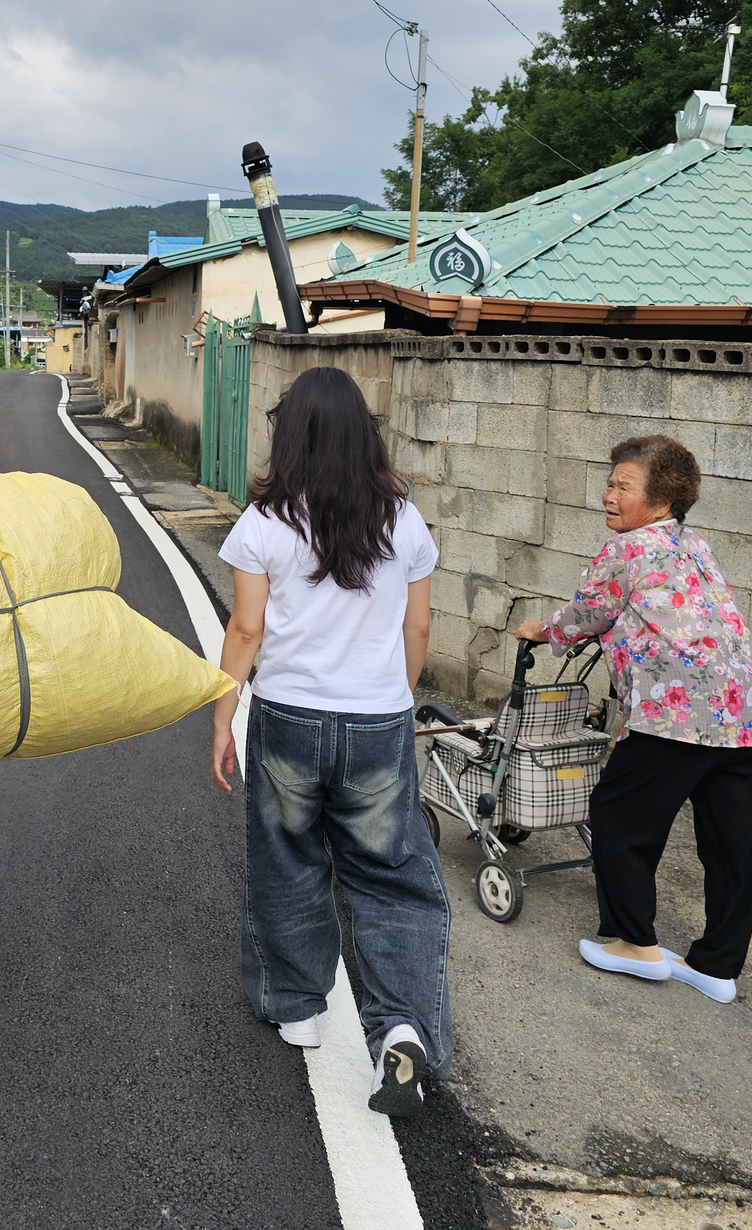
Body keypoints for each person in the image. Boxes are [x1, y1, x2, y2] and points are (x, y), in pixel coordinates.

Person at [209, 365, 450, 1117]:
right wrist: (397, 699)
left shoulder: (264, 523)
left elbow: (247, 628)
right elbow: (418, 627)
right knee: (390, 877)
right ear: (360, 432)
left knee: (288, 861)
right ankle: (403, 1029)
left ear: (291, 434)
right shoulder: (403, 520)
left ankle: (298, 1008)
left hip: (288, 716)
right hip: (377, 720)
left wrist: (222, 714)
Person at [515, 435, 752, 1004]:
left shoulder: (629, 550)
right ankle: (717, 965)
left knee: (620, 811)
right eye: (610, 482)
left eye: (623, 486)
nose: (609, 494)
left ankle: (634, 943)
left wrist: (544, 630)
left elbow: (590, 611)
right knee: (734, 843)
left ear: (660, 501)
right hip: (747, 710)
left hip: (678, 712)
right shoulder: (697, 545)